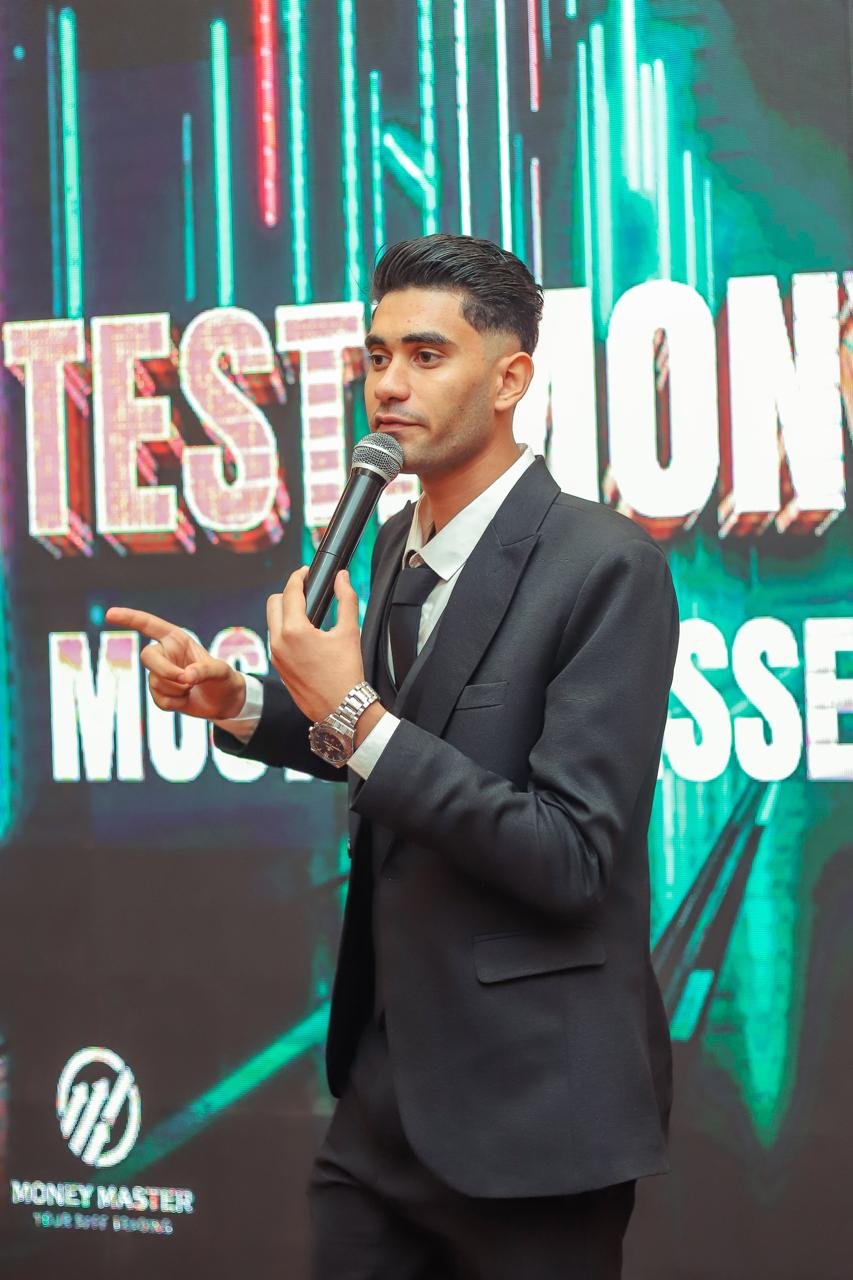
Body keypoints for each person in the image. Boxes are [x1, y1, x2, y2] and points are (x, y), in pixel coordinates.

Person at [108, 234, 680, 1279]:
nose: (388, 385)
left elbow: (569, 854)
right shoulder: (388, 541)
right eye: (376, 356)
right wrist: (241, 702)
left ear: (509, 379)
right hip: (382, 1097)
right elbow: (400, 754)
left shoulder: (606, 566)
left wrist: (353, 710)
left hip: (534, 1110)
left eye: (426, 355)